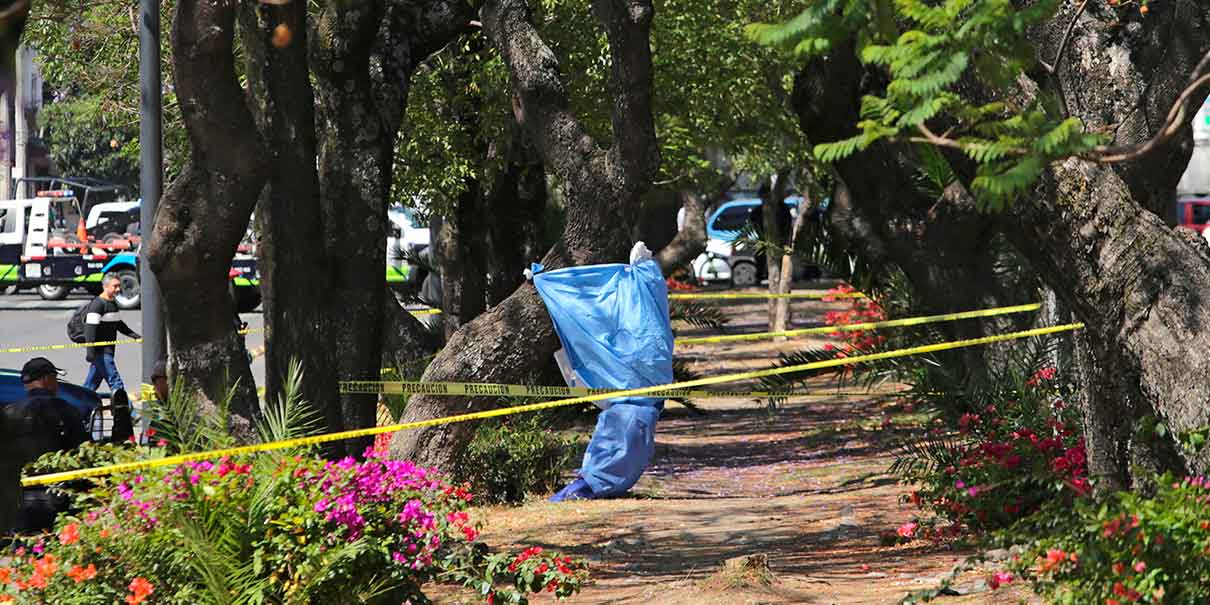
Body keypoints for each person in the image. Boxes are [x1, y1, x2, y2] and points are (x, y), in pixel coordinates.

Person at [0, 358, 89, 534]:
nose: (57, 384)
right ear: (47, 379)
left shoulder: (9, 413)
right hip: (58, 499)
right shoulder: (66, 410)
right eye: (55, 378)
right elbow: (83, 453)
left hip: (20, 500)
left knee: (24, 552)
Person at [82, 273, 140, 399]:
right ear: (106, 286)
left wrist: (135, 336)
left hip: (107, 351)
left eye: (119, 286)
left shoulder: (112, 304)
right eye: (115, 286)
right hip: (101, 353)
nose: (118, 289)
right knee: (116, 384)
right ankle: (129, 414)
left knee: (89, 387)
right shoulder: (97, 305)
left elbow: (119, 324)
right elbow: (90, 330)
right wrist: (90, 352)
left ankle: (77, 408)